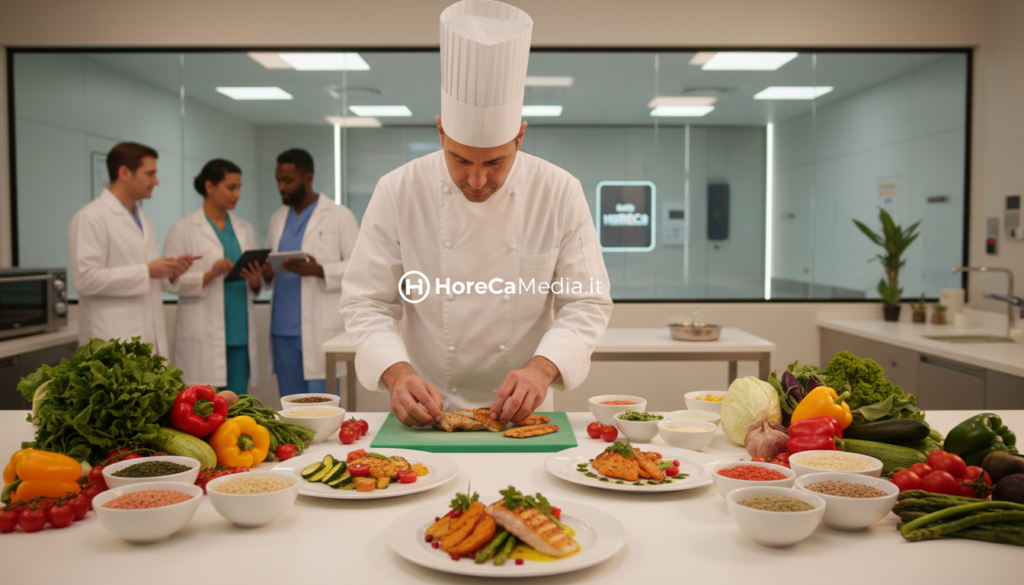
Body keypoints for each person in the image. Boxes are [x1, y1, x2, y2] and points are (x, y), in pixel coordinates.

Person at [339, 0, 613, 427]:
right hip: (426, 408)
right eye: (461, 161)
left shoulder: (559, 190)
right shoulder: (398, 190)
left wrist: (542, 369)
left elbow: (587, 301)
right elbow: (366, 301)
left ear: (520, 137)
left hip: (527, 412)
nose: (478, 180)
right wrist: (397, 372)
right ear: (441, 131)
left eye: (496, 163)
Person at [68, 142, 194, 354]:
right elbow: (85, 279)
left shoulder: (143, 218)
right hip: (111, 339)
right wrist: (146, 271)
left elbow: (147, 275)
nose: (156, 181)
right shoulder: (90, 217)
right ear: (124, 172)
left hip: (147, 336)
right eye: (150, 174)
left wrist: (170, 272)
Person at [264, 148, 359, 396]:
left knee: (323, 406)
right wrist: (263, 272)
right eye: (278, 181)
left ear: (307, 178)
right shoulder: (277, 218)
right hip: (282, 331)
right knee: (290, 407)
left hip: (320, 329)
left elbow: (359, 266)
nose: (281, 187)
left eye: (287, 180)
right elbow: (272, 266)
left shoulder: (340, 216)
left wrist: (321, 270)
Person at [164, 159, 262, 393]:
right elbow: (168, 282)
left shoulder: (244, 228)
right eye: (231, 187)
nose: (237, 194)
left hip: (239, 334)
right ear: (209, 187)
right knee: (202, 408)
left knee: (237, 408)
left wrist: (256, 280)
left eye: (239, 187)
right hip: (201, 336)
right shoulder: (183, 229)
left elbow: (254, 286)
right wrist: (208, 275)